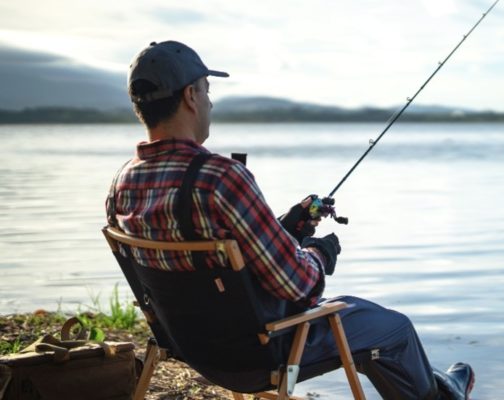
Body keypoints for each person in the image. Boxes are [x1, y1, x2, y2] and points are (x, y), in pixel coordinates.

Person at [106, 40, 474, 400]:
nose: (209, 101)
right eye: (206, 90)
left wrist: (286, 228)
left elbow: (211, 258)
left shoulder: (122, 184)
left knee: (371, 325)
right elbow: (301, 286)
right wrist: (318, 253)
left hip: (188, 346)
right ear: (190, 96)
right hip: (258, 354)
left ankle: (441, 387)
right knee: (394, 329)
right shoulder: (220, 177)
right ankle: (443, 394)